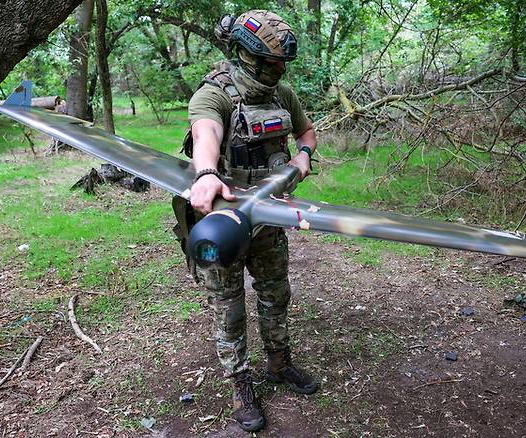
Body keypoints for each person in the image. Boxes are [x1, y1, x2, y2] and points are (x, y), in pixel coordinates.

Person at [176, 10, 319, 432]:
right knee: (228, 304)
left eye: (281, 65)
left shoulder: (283, 95)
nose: (277, 71)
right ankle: (240, 382)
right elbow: (206, 135)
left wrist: (303, 156)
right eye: (270, 64)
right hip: (224, 221)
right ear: (244, 54)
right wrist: (205, 175)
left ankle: (279, 362)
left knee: (276, 292)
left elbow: (306, 133)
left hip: (269, 218)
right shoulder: (213, 94)